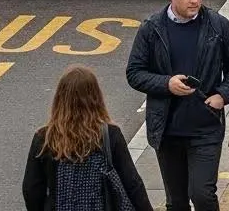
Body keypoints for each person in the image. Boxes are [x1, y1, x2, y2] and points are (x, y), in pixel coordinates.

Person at [126, 0, 229, 211]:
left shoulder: (218, 25)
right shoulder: (152, 28)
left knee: (203, 195)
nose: (195, 0)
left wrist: (223, 95)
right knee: (177, 202)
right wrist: (165, 83)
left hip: (205, 127)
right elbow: (134, 73)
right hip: (167, 130)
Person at [22, 65, 154, 211]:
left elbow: (31, 189)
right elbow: (132, 183)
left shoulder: (44, 138)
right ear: (96, 98)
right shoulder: (109, 135)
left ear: (59, 98)